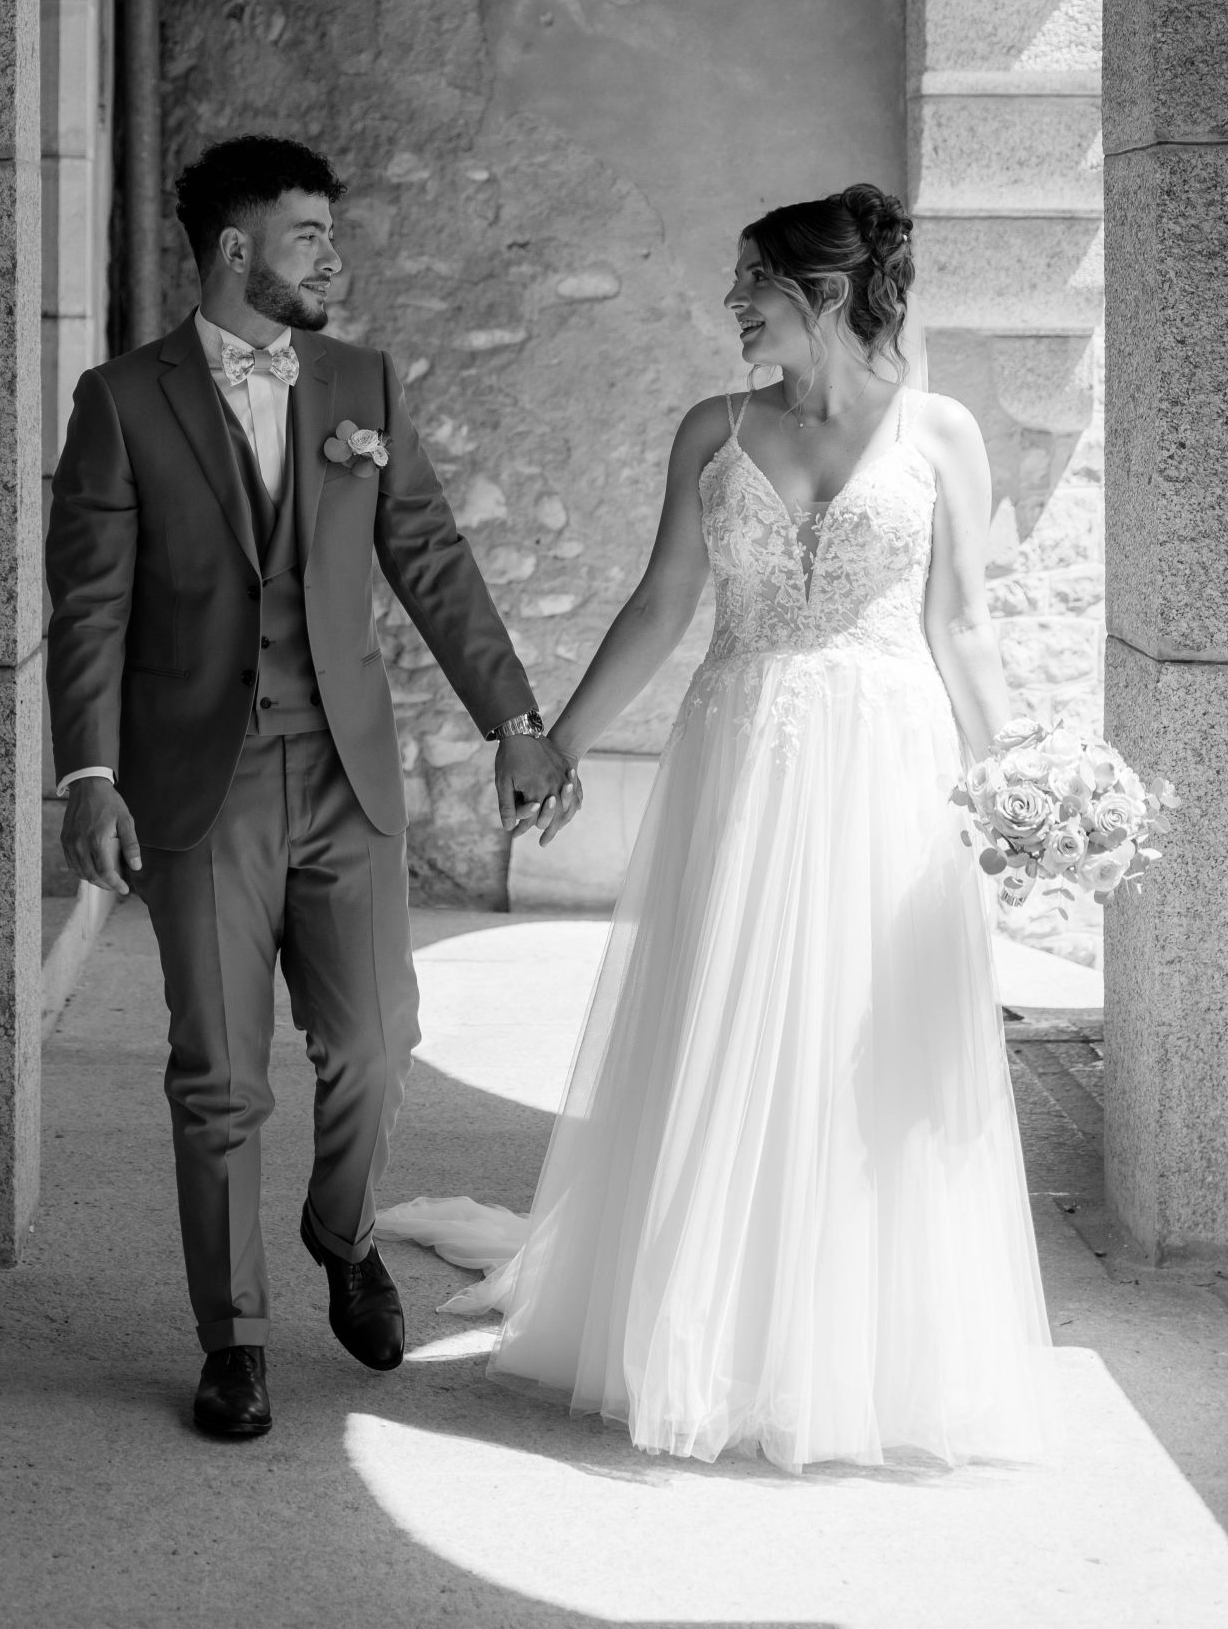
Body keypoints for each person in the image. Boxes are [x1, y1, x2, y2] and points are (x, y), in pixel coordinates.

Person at [381, 185, 1051, 1471]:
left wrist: (1019, 786)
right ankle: (709, 1333)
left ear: (823, 293)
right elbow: (660, 604)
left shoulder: (943, 432)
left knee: (868, 1040)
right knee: (730, 1025)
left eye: (753, 281)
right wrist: (558, 742)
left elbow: (961, 623)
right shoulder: (714, 428)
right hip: (742, 758)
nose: (732, 300)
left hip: (889, 769)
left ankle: (855, 1353)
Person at [45, 133, 572, 1442]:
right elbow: (91, 604)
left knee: (377, 1039)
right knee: (220, 1073)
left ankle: (342, 1236)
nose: (336, 259)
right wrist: (90, 772)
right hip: (197, 784)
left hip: (345, 771)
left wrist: (514, 719)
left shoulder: (360, 384)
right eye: (309, 237)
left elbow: (431, 558)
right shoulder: (122, 400)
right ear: (237, 251)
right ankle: (233, 1339)